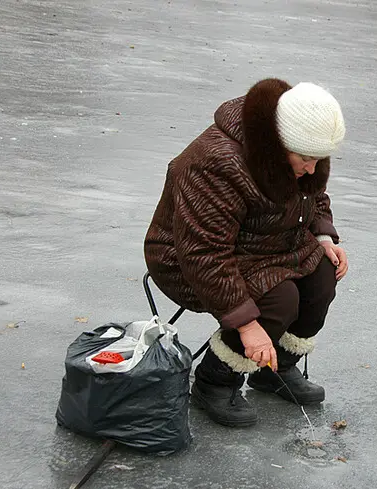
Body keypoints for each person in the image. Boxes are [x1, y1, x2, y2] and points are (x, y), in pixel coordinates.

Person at [143, 78, 347, 427]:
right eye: (306, 159)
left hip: (266, 245)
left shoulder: (301, 149)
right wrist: (247, 325)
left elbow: (312, 195)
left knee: (322, 278)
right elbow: (203, 251)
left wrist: (323, 236)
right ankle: (215, 381)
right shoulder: (218, 163)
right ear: (278, 144)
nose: (312, 169)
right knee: (278, 300)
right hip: (188, 259)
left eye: (319, 160)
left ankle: (275, 369)